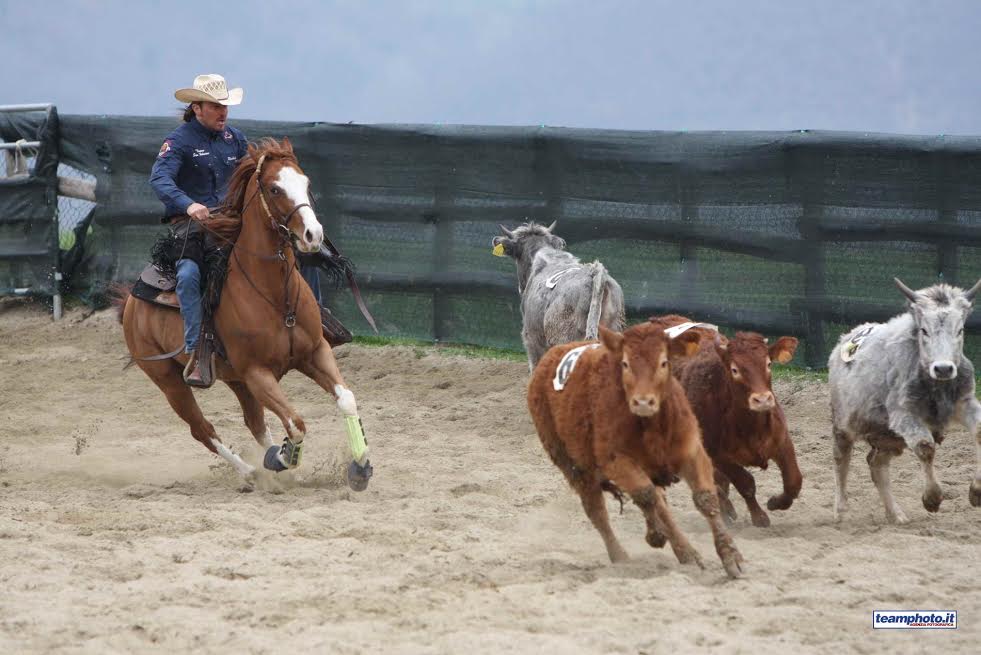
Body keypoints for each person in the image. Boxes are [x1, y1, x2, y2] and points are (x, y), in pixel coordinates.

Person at [150, 73, 325, 385]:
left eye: (225, 105)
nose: (223, 112)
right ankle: (197, 349)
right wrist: (189, 204)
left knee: (292, 250)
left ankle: (316, 321)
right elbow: (159, 179)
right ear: (197, 107)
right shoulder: (177, 142)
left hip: (232, 221)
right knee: (189, 274)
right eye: (216, 106)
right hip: (192, 225)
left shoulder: (235, 139)